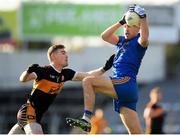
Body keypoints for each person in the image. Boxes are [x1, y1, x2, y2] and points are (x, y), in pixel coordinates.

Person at [66, 4, 149, 134]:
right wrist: (121, 21)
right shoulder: (121, 41)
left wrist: (143, 18)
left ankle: (86, 119)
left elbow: (145, 38)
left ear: (138, 29)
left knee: (88, 81)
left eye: (131, 25)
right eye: (126, 25)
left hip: (124, 83)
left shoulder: (139, 42)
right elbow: (104, 36)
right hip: (125, 92)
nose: (126, 28)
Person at [8, 44, 115, 134]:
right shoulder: (43, 71)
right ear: (53, 56)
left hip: (37, 116)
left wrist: (104, 68)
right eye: (63, 53)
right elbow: (22, 79)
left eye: (66, 53)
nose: (67, 55)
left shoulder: (66, 73)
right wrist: (28, 71)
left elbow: (88, 75)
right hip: (28, 112)